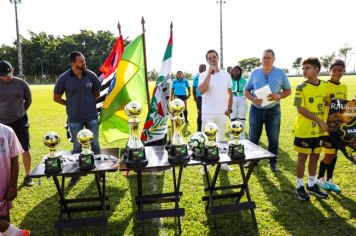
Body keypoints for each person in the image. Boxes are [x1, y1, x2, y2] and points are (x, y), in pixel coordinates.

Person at [54, 51, 101, 185]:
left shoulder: (91, 76)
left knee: (95, 145)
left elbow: (97, 93)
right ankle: (76, 174)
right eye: (81, 61)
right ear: (73, 63)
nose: (84, 63)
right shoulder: (63, 78)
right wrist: (68, 104)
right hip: (74, 119)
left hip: (91, 117)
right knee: (76, 147)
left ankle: (99, 173)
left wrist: (87, 102)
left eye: (84, 60)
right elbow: (56, 97)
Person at [244, 49, 291, 172]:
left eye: (269, 58)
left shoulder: (280, 73)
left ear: (274, 59)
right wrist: (253, 99)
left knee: (273, 138)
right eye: (264, 57)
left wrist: (278, 96)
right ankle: (253, 160)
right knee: (254, 136)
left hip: (273, 110)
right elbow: (246, 90)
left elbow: (288, 90)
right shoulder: (254, 72)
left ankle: (273, 161)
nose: (266, 60)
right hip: (256, 110)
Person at [293, 57, 328, 201]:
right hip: (304, 129)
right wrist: (319, 120)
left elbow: (329, 103)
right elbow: (300, 109)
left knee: (315, 156)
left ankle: (311, 184)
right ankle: (299, 186)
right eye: (303, 68)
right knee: (302, 157)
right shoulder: (301, 87)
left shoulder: (325, 85)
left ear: (316, 69)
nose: (304, 71)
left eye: (307, 68)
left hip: (319, 130)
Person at [0, 61, 33, 187]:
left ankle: (27, 176)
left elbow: (28, 100)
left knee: (25, 148)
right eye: (2, 76)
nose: (5, 78)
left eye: (7, 74)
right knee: (4, 152)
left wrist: (20, 111)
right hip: (2, 124)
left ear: (12, 70)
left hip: (19, 121)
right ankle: (6, 177)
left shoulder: (21, 83)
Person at [199, 49, 233, 171]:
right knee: (207, 139)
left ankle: (223, 163)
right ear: (207, 60)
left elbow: (230, 92)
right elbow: (202, 90)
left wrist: (229, 108)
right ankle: (205, 166)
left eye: (214, 57)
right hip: (208, 113)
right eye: (210, 58)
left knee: (222, 139)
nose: (212, 59)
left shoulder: (226, 75)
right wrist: (209, 73)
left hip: (222, 112)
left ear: (218, 58)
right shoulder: (202, 75)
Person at [316, 59, 347, 193]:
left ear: (343, 71)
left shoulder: (343, 87)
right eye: (334, 70)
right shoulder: (324, 85)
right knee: (328, 154)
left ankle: (329, 180)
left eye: (340, 70)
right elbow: (320, 103)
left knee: (334, 154)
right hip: (327, 127)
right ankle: (319, 178)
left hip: (339, 127)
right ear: (330, 71)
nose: (337, 73)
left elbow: (344, 106)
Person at [0, 124, 23, 224]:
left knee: (4, 220)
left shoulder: (7, 131)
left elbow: (15, 161)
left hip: (3, 192)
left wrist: (13, 187)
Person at [230, 65, 248, 139]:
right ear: (232, 72)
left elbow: (248, 90)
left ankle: (242, 137)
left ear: (240, 72)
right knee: (233, 119)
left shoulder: (244, 81)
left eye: (237, 70)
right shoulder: (229, 80)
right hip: (232, 98)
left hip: (242, 98)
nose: (235, 72)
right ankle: (232, 137)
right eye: (234, 70)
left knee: (241, 119)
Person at [192, 64, 206, 131]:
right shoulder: (196, 78)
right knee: (199, 114)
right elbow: (194, 88)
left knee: (207, 114)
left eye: (202, 68)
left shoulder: (209, 76)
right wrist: (195, 98)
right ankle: (199, 129)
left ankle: (207, 129)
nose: (200, 69)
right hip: (199, 99)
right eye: (199, 68)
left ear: (205, 69)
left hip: (207, 99)